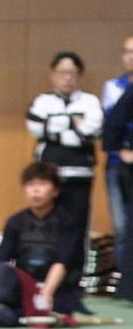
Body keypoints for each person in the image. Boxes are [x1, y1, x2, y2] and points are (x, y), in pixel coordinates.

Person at [0, 163, 89, 315]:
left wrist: (47, 292)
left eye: (42, 184)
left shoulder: (68, 221)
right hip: (23, 285)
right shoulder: (15, 221)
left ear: (55, 191)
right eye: (30, 184)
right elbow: (3, 260)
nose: (35, 190)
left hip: (58, 287)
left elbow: (63, 261)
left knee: (55, 309)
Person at [26, 51, 102, 225]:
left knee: (76, 228)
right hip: (47, 177)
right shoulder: (42, 101)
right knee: (47, 226)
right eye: (62, 72)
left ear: (80, 77)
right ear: (52, 76)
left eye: (72, 73)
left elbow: (89, 133)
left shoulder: (90, 102)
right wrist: (72, 123)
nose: (67, 78)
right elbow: (37, 128)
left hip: (80, 177)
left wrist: (54, 129)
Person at [102, 37, 133, 277]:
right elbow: (111, 126)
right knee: (122, 226)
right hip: (117, 165)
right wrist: (122, 152)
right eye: (127, 52)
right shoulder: (113, 87)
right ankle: (125, 281)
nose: (131, 56)